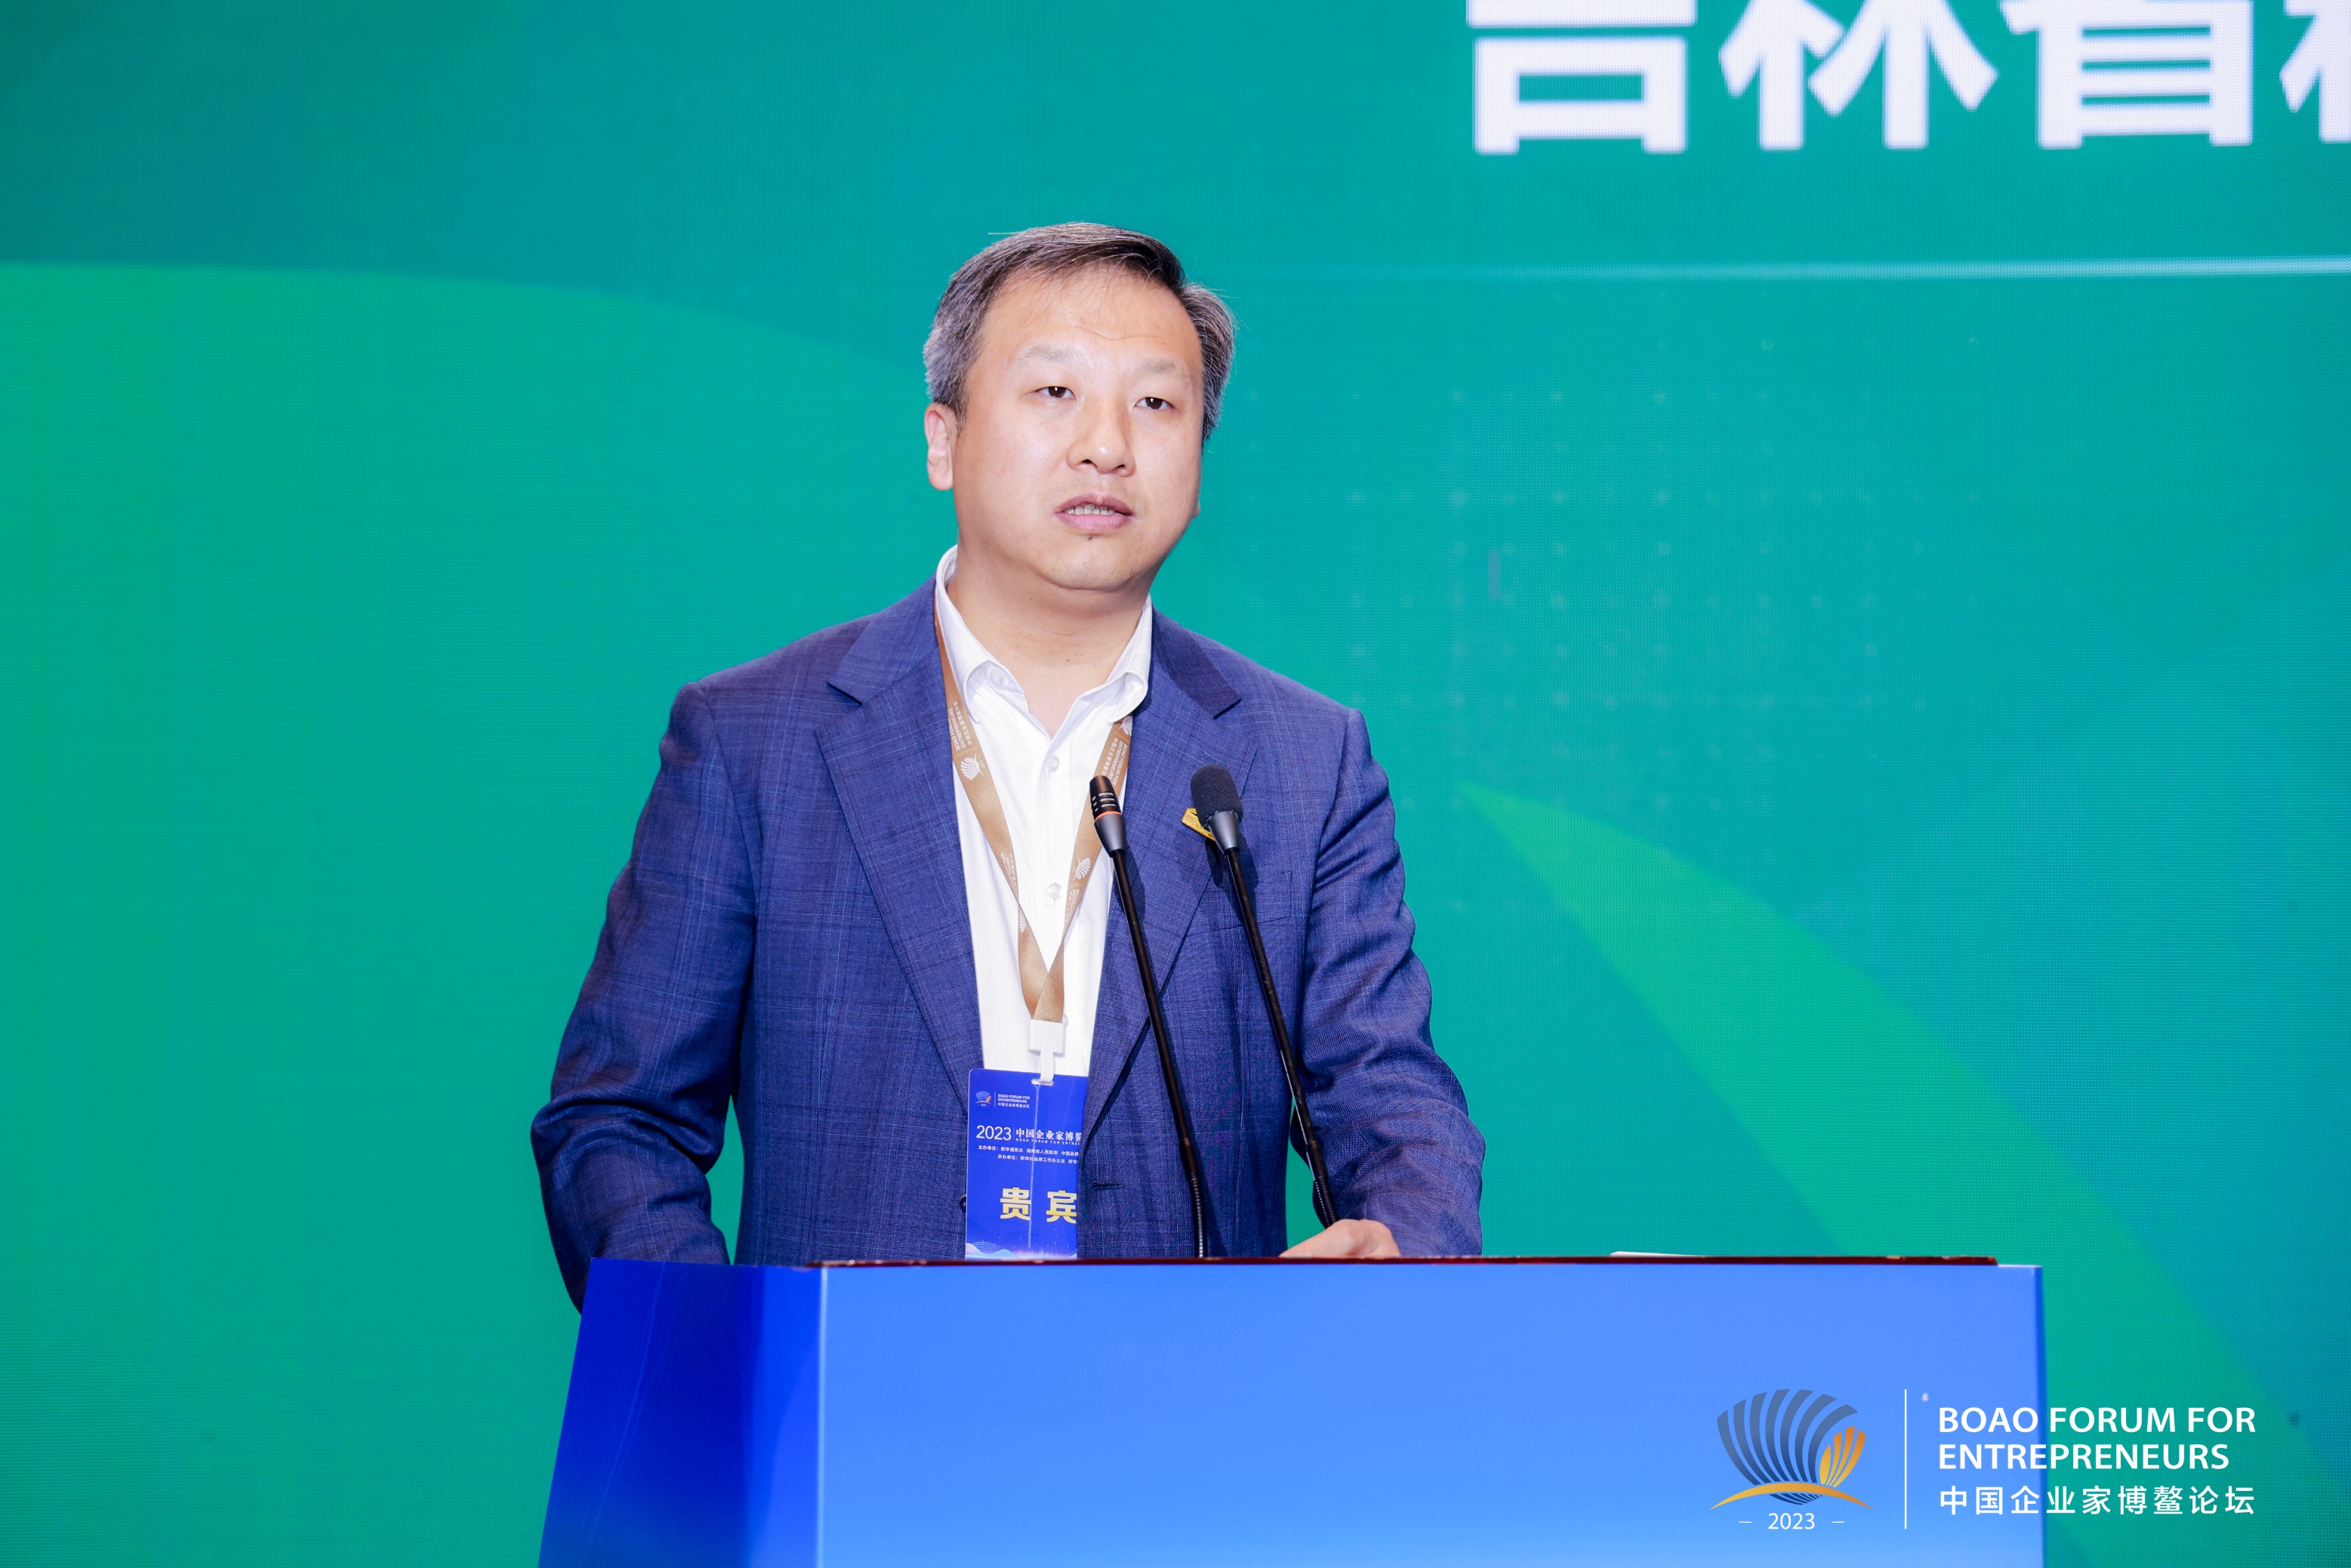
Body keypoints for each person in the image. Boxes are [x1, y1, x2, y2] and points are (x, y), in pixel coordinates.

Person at [532, 223, 1482, 1305]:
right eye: (1054, 392)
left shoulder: (1301, 759)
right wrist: (719, 1354)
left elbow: (1391, 1099)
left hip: (1184, 1392)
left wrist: (1403, 1248)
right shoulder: (756, 740)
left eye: (1155, 404)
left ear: (1199, 466)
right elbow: (618, 1119)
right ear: (942, 440)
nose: (1106, 446)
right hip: (852, 1395)